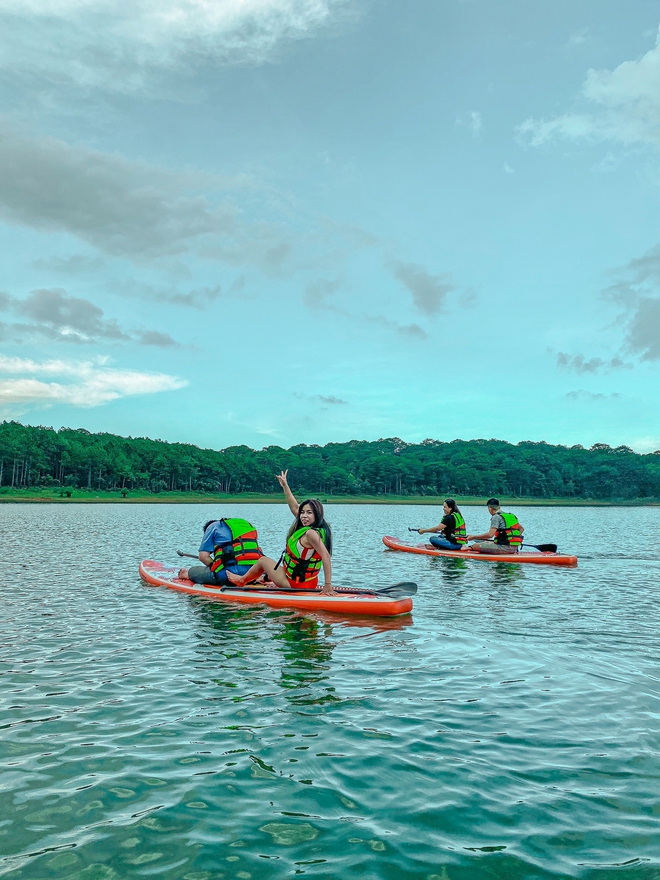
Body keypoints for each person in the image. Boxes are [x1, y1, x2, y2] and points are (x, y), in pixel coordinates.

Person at [227, 470, 334, 594]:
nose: (304, 516)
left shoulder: (311, 534)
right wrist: (285, 486)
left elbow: (326, 556)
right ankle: (264, 579)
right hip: (309, 582)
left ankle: (241, 580)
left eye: (309, 513)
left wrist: (328, 585)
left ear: (317, 514)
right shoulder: (318, 529)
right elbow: (294, 507)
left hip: (295, 584)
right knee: (275, 568)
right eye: (303, 512)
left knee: (263, 561)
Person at [178, 517, 263, 585]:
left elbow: (203, 557)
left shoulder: (212, 527)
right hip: (253, 575)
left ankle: (186, 574)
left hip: (226, 576)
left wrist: (215, 566)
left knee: (193, 570)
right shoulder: (244, 526)